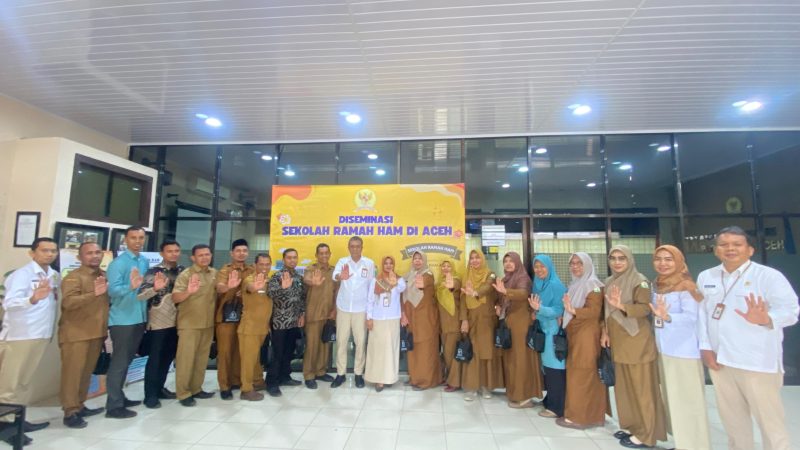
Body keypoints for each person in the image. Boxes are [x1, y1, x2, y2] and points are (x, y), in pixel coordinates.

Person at [697, 226, 798, 450]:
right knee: (733, 423)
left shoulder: (768, 277)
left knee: (770, 424)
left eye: (737, 244)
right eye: (723, 245)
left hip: (758, 363)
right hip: (721, 361)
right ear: (716, 250)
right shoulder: (707, 277)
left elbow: (791, 311)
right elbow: (702, 316)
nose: (730, 249)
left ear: (750, 250)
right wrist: (705, 348)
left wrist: (766, 318)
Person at [602, 244, 667, 449]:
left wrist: (622, 306)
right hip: (618, 342)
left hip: (637, 341)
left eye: (622, 258)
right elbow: (606, 311)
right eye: (613, 258)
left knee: (642, 391)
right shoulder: (609, 281)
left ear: (629, 259)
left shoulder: (641, 282)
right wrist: (605, 332)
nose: (617, 262)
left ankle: (647, 434)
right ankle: (632, 426)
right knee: (625, 389)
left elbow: (644, 310)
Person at [650, 244, 711, 449]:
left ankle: (695, 445)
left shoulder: (686, 286)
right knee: (673, 399)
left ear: (679, 261)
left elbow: (694, 317)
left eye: (669, 259)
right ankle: (683, 442)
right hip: (665, 349)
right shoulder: (657, 284)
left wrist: (668, 317)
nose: (663, 263)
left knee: (689, 401)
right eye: (659, 259)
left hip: (684, 352)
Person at [0, 237, 60, 445]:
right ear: (32, 253)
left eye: (53, 251)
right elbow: (9, 304)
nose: (50, 254)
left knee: (25, 382)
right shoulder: (21, 275)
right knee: (10, 383)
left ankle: (19, 419)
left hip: (40, 334)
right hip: (20, 336)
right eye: (45, 250)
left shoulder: (53, 275)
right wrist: (32, 299)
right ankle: (6, 426)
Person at [58, 242, 110, 428]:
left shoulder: (103, 276)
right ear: (80, 257)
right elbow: (68, 303)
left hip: (96, 333)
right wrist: (93, 294)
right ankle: (70, 412)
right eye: (89, 253)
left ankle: (80, 404)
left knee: (86, 373)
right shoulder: (73, 277)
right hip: (76, 334)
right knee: (72, 374)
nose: (95, 256)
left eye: (98, 252)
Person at [557, 252, 607, 429]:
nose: (575, 266)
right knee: (578, 373)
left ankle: (580, 417)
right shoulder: (575, 284)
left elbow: (594, 312)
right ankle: (589, 415)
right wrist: (566, 316)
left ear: (587, 265)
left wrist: (574, 311)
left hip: (587, 336)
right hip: (576, 334)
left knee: (583, 374)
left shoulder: (593, 285)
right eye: (572, 263)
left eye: (579, 263)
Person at [104, 226, 149, 418]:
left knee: (128, 360)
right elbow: (112, 291)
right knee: (119, 362)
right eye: (133, 238)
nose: (138, 241)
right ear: (126, 239)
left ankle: (119, 396)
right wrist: (130, 286)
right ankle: (113, 406)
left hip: (139, 317)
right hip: (122, 320)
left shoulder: (144, 261)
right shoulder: (118, 264)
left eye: (141, 237)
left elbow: (143, 290)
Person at [136, 240, 182, 409]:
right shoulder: (154, 272)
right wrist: (155, 289)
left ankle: (160, 388)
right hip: (158, 322)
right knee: (155, 359)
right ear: (162, 253)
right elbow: (140, 295)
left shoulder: (182, 271)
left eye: (177, 251)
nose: (174, 254)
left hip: (177, 321)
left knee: (168, 358)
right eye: (170, 251)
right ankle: (150, 395)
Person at [493, 252, 543, 408]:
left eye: (511, 261)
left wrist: (506, 292)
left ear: (517, 262)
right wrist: (498, 305)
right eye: (505, 261)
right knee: (512, 359)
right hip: (510, 322)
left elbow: (523, 294)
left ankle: (525, 397)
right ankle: (515, 393)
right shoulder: (507, 279)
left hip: (521, 323)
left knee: (521, 359)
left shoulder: (523, 277)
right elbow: (502, 298)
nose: (508, 264)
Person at [172, 244, 218, 406]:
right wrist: (189, 292)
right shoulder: (186, 275)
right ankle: (183, 393)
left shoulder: (213, 273)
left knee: (201, 359)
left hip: (207, 324)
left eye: (207, 254)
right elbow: (176, 297)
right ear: (193, 258)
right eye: (201, 255)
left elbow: (219, 290)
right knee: (186, 360)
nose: (205, 257)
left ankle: (196, 388)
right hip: (189, 324)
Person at [460, 249, 504, 401]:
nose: (474, 261)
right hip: (472, 320)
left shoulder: (490, 274)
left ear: (482, 259)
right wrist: (464, 320)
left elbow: (488, 287)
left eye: (477, 257)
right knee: (472, 353)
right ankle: (472, 387)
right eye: (471, 258)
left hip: (487, 321)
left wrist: (475, 293)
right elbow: (462, 301)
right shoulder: (466, 276)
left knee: (486, 353)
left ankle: (486, 386)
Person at [331, 236, 375, 389]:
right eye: (352, 246)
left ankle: (358, 374)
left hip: (360, 309)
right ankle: (340, 374)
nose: (355, 249)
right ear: (348, 247)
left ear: (362, 248)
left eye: (358, 246)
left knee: (360, 343)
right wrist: (340, 276)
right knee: (341, 342)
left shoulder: (369, 263)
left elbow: (371, 287)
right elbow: (334, 276)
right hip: (343, 308)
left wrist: (370, 312)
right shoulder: (342, 262)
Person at [214, 239, 254, 400]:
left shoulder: (251, 270)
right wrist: (230, 287)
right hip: (226, 317)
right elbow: (219, 287)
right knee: (225, 352)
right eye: (238, 250)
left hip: (245, 316)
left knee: (240, 351)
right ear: (232, 253)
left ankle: (237, 380)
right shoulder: (225, 270)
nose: (241, 253)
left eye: (244, 250)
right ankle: (225, 386)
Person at [528, 254, 566, 418]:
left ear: (549, 267)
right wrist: (534, 312)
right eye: (536, 267)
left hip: (553, 332)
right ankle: (550, 399)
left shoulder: (556, 285)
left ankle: (557, 407)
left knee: (555, 368)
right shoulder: (538, 284)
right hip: (543, 330)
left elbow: (559, 309)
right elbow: (535, 306)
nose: (539, 270)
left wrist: (540, 310)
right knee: (547, 367)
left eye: (542, 266)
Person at [266, 248, 305, 397]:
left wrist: (302, 314)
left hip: (294, 321)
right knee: (277, 353)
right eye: (289, 258)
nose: (292, 260)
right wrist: (283, 288)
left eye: (295, 257)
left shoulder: (299, 278)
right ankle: (272, 382)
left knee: (289, 352)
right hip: (279, 322)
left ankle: (285, 376)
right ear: (283, 259)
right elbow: (271, 294)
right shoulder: (277, 276)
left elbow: (302, 298)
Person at [365, 256, 407, 392]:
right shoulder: (376, 280)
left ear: (394, 265)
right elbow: (370, 299)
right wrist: (369, 318)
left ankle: (389, 378)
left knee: (391, 349)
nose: (388, 266)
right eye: (386, 263)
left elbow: (402, 288)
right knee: (377, 350)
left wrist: (393, 282)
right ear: (382, 265)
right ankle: (378, 379)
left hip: (393, 318)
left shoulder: (399, 280)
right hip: (377, 318)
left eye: (391, 263)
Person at [403, 251, 441, 390]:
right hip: (412, 319)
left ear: (424, 260)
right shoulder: (409, 275)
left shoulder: (428, 274)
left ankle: (426, 381)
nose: (417, 261)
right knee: (413, 348)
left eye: (420, 259)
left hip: (426, 319)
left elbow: (425, 282)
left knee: (426, 350)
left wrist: (420, 283)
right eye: (415, 258)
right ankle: (414, 377)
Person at [302, 243, 338, 389]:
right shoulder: (311, 269)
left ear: (330, 254)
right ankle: (309, 375)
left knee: (325, 344)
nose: (324, 256)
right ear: (316, 255)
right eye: (321, 253)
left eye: (326, 253)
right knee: (312, 346)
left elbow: (337, 292)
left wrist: (334, 310)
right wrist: (313, 282)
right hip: (313, 314)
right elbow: (307, 279)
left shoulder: (334, 271)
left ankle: (321, 371)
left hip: (328, 314)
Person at [238, 253, 273, 401]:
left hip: (262, 328)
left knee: (257, 358)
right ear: (255, 265)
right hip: (249, 328)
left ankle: (258, 382)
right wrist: (255, 286)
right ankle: (246, 389)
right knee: (248, 360)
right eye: (261, 264)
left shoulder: (270, 280)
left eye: (267, 264)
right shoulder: (249, 279)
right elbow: (250, 288)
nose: (264, 267)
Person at [437, 259, 463, 392]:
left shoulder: (457, 280)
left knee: (452, 354)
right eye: (443, 266)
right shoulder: (439, 283)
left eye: (448, 266)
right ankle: (449, 378)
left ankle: (455, 382)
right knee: (446, 354)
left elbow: (454, 286)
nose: (446, 268)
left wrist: (451, 285)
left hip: (453, 324)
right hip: (443, 324)